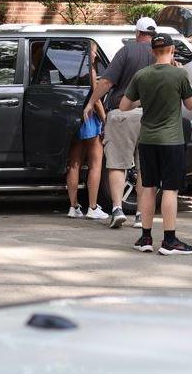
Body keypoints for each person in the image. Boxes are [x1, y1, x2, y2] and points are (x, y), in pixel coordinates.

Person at [121, 34, 192, 255]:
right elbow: (191, 105)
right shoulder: (179, 74)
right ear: (172, 50)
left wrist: (143, 99)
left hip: (147, 140)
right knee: (170, 190)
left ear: (153, 51)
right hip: (172, 140)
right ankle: (169, 240)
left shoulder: (141, 75)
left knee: (148, 189)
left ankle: (145, 238)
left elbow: (125, 106)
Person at [93, 17, 157, 228]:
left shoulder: (127, 51)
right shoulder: (161, 54)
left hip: (123, 114)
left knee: (118, 164)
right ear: (153, 34)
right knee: (144, 167)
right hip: (151, 116)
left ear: (137, 33)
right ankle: (140, 214)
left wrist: (90, 103)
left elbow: (106, 81)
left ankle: (118, 209)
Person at [64, 41, 106, 221]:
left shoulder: (70, 70)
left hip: (75, 119)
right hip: (90, 120)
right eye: (94, 52)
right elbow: (96, 100)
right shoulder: (91, 71)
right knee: (96, 163)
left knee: (74, 163)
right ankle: (93, 207)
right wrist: (105, 120)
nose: (95, 55)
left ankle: (73, 207)